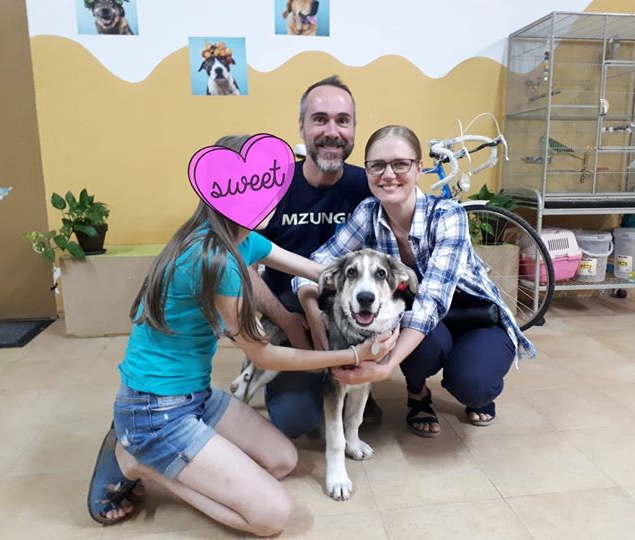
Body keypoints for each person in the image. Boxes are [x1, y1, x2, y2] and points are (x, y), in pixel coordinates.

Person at [86, 135, 398, 535]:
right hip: (155, 405)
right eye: (262, 188)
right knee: (271, 517)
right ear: (226, 192)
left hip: (195, 393)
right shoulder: (216, 260)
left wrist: (360, 284)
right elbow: (264, 356)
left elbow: (316, 270)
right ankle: (136, 459)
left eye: (272, 186)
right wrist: (353, 356)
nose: (275, 198)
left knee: (283, 461)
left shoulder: (239, 237)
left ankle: (164, 449)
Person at [293, 125, 537, 437]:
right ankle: (418, 392)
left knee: (474, 384)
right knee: (411, 334)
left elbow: (431, 300)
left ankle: (476, 387)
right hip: (429, 325)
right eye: (377, 165)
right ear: (367, 171)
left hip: (474, 316)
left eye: (400, 164)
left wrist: (384, 368)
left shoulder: (448, 215)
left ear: (419, 168)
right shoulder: (367, 213)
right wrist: (312, 310)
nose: (388, 175)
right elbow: (318, 262)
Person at [248, 75, 382, 438]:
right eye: (320, 119)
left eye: (343, 120)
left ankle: (353, 384)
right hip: (289, 316)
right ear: (302, 126)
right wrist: (288, 321)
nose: (332, 132)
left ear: (354, 128)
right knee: (297, 421)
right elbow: (244, 264)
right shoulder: (272, 186)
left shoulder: (369, 186)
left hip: (352, 318)